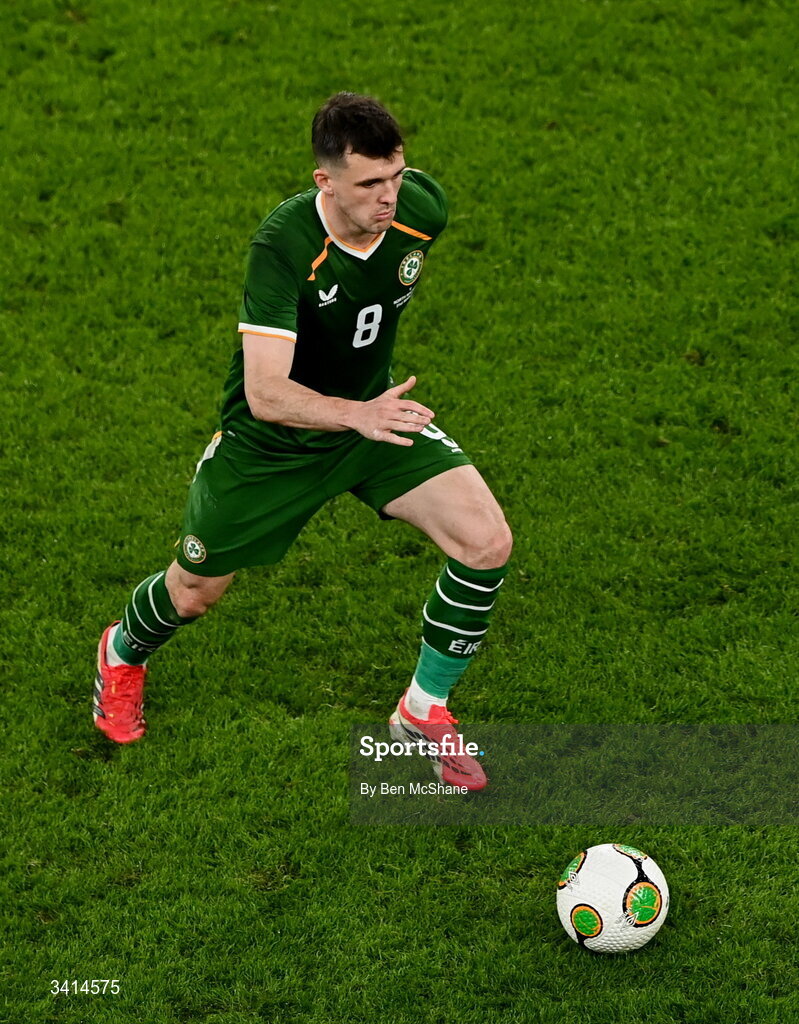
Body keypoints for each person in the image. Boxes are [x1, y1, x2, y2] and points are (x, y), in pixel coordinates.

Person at [93, 92, 512, 790]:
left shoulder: (420, 210)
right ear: (325, 182)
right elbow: (265, 392)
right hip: (271, 445)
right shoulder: (284, 247)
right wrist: (354, 414)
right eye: (369, 184)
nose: (389, 197)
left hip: (372, 417)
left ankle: (420, 709)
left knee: (486, 542)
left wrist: (363, 413)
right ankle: (122, 652)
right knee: (193, 593)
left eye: (396, 176)